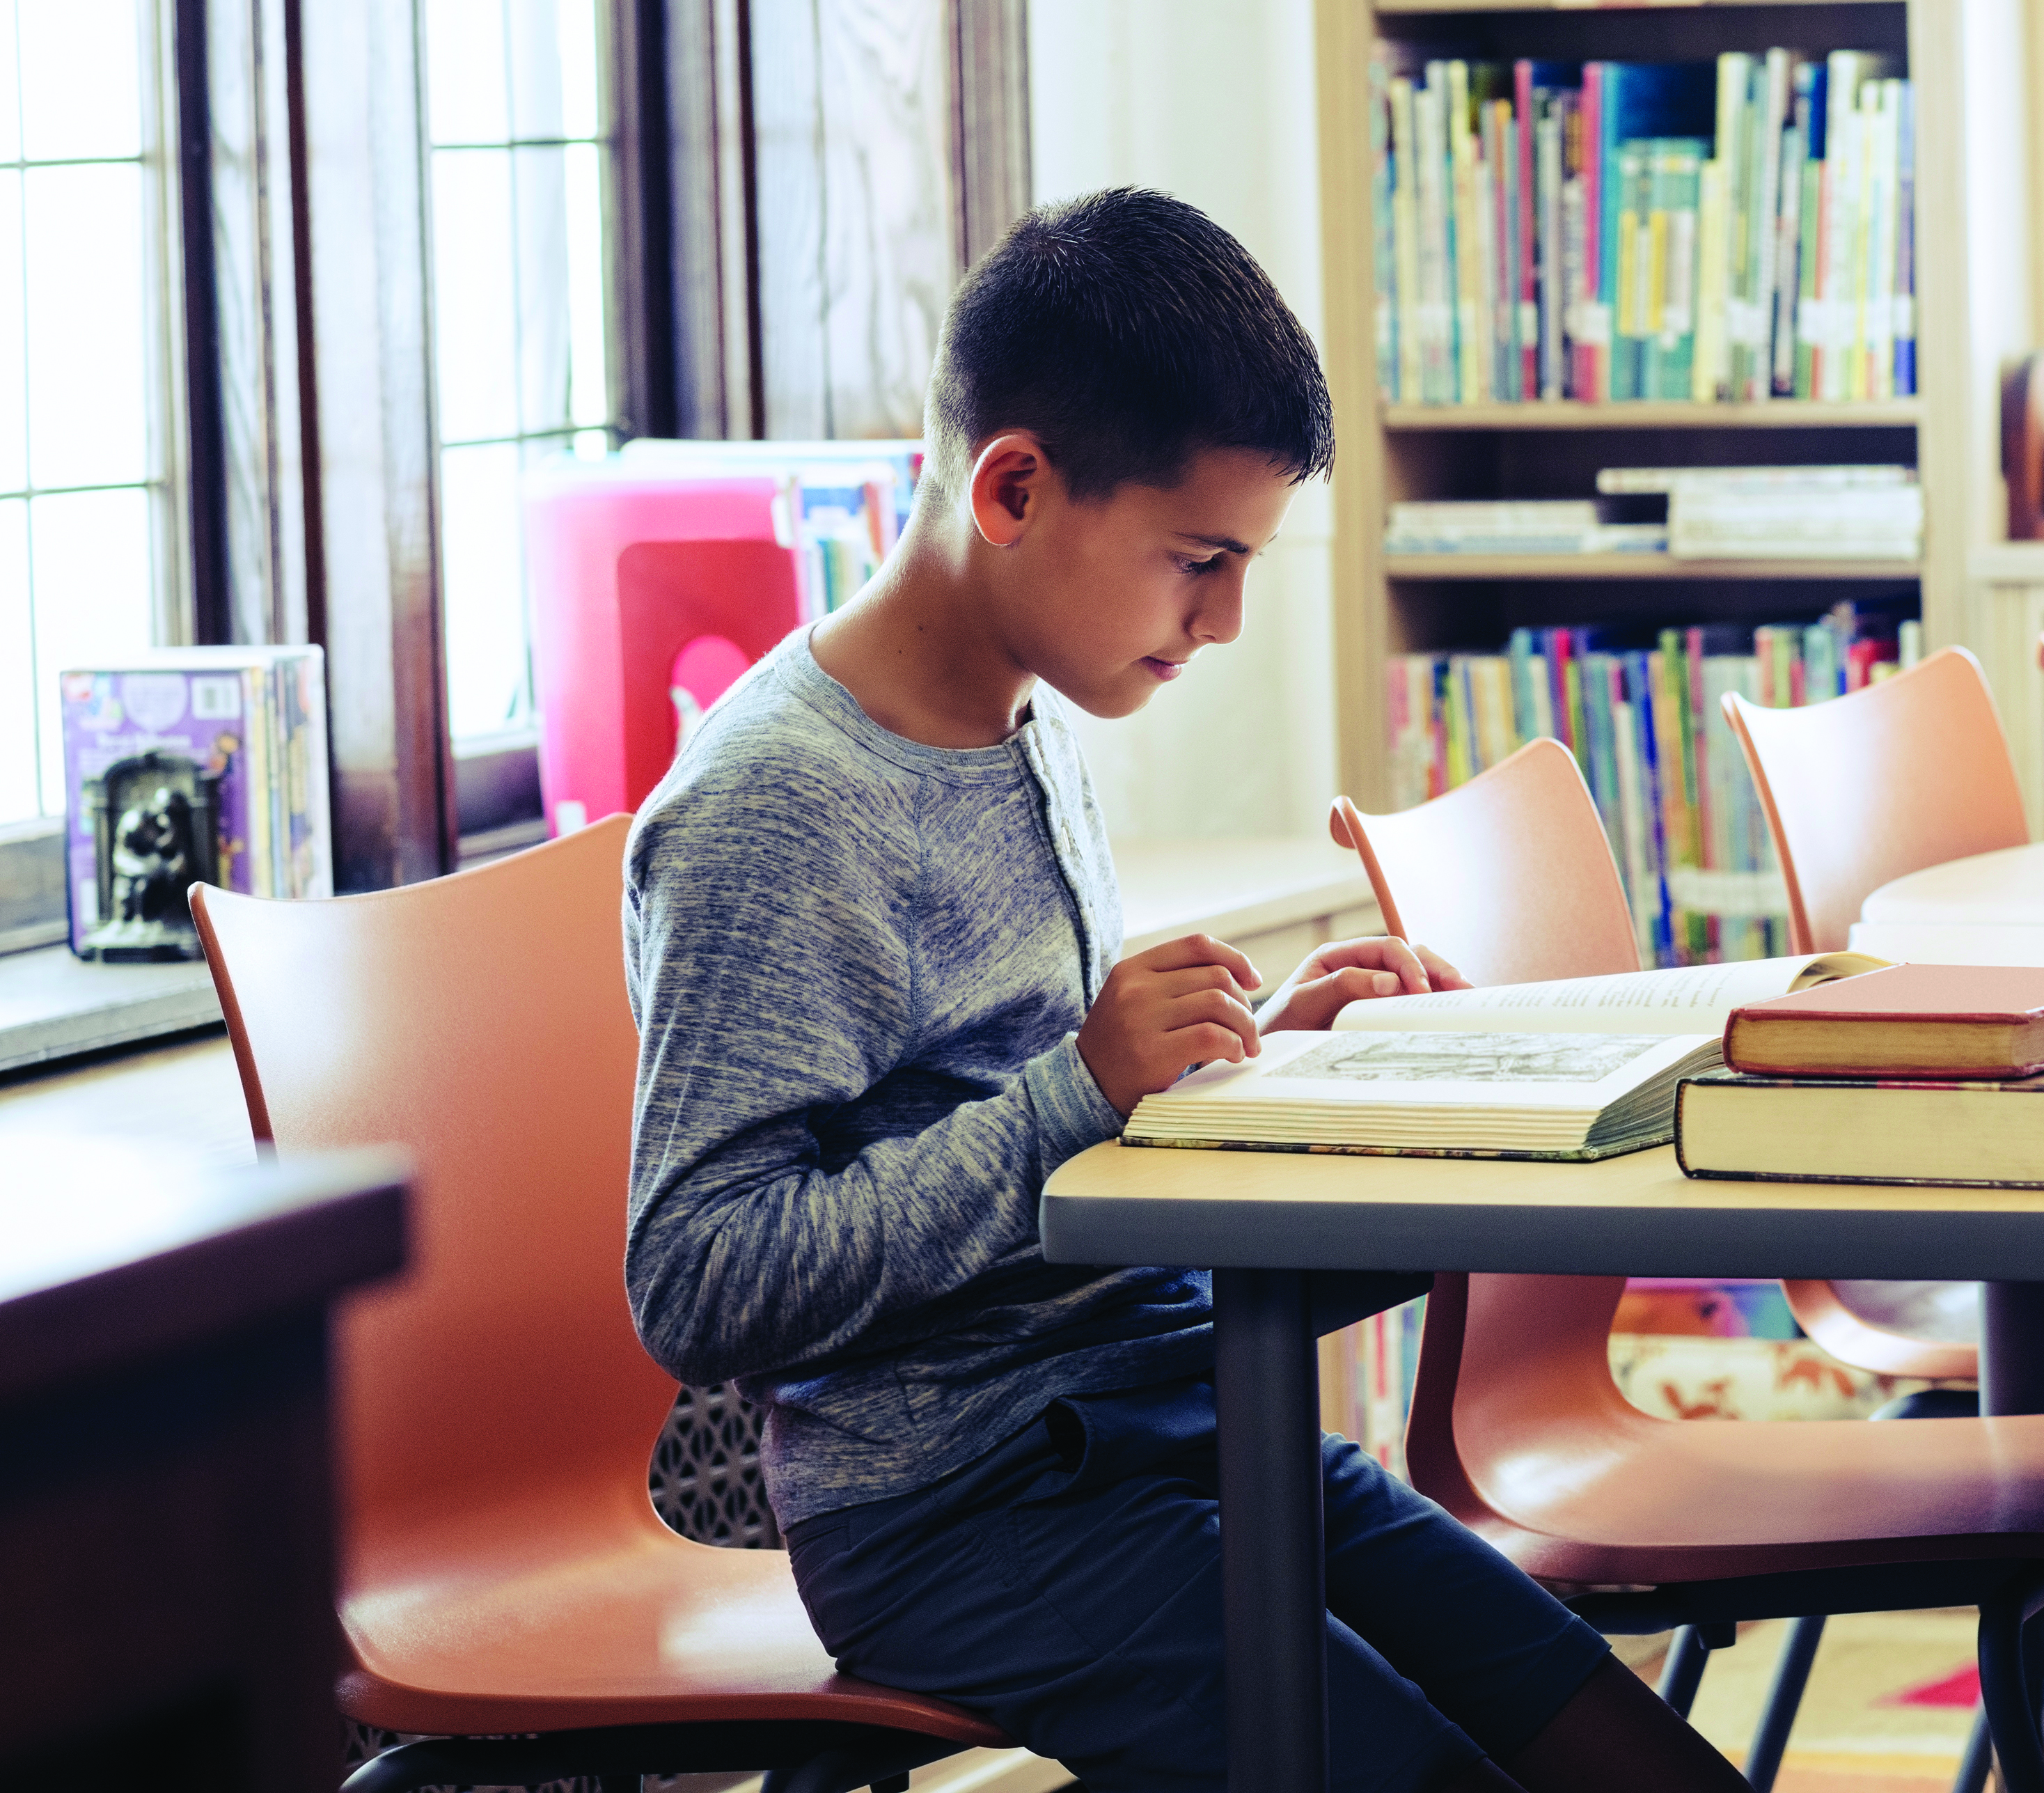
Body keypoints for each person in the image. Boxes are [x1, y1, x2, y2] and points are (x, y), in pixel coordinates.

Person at [622, 188, 1747, 1793]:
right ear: (1012, 485)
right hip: (957, 1503)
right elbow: (701, 1280)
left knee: (1620, 1750)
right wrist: (1083, 1088)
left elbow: (1045, 1127)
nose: (1219, 621)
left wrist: (1247, 1062)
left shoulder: (1025, 717)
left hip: (1167, 1414)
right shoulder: (772, 807)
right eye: (1197, 560)